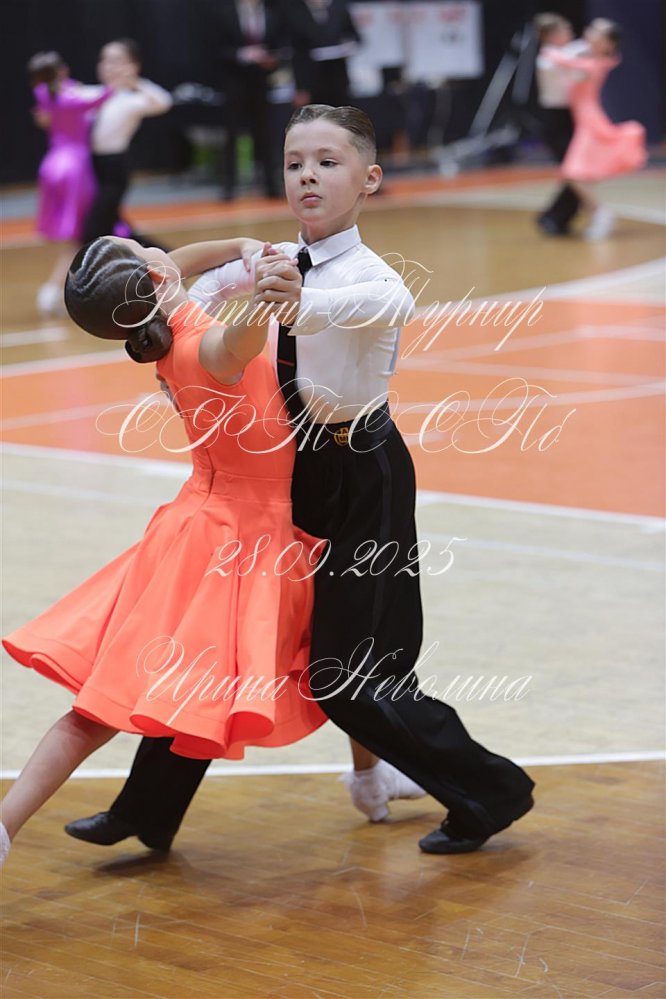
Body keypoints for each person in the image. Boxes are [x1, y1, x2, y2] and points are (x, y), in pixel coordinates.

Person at [64, 105, 535, 857]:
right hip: (288, 475)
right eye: (294, 163)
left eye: (327, 162)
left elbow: (390, 304)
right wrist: (196, 281)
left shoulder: (369, 275)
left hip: (363, 473)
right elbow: (176, 283)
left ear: (369, 179)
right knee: (217, 639)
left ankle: (491, 791)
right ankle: (147, 810)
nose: (308, 175)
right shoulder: (275, 259)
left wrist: (298, 300)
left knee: (348, 674)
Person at [0, 233, 329, 867]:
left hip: (194, 528)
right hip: (244, 538)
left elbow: (175, 267)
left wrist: (239, 244)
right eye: (146, 254)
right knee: (330, 655)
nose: (160, 253)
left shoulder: (157, 327)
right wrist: (267, 286)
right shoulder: (206, 344)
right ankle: (375, 776)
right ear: (152, 281)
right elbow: (243, 337)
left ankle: (6, 824)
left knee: (98, 707)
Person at [544, 18, 647, 240]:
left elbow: (562, 61)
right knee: (576, 173)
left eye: (597, 32)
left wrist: (549, 48)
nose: (589, 33)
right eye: (591, 29)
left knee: (573, 172)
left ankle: (600, 213)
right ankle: (597, 213)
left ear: (607, 43)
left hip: (589, 121)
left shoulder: (595, 63)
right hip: (583, 119)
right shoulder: (587, 56)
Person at [27, 51, 111, 316]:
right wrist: (116, 85)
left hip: (53, 162)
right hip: (74, 165)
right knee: (83, 232)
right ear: (60, 71)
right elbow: (101, 98)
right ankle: (55, 291)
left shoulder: (45, 93)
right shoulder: (70, 98)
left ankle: (66, 289)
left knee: (83, 232)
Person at [82, 39, 172, 244]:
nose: (109, 66)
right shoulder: (90, 94)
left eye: (117, 61)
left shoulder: (132, 100)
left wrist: (135, 81)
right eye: (104, 60)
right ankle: (164, 256)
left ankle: (165, 257)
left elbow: (164, 101)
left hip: (113, 170)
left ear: (133, 66)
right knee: (117, 229)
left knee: (94, 230)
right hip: (90, 170)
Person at [214, 0, 287, 201]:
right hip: (234, 83)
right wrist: (241, 54)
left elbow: (280, 46)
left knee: (265, 133)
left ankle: (270, 184)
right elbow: (214, 48)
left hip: (261, 83)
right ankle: (229, 186)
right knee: (232, 134)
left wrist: (272, 60)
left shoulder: (271, 13)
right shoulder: (224, 14)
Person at [533, 14, 584, 236]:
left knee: (579, 173)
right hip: (555, 122)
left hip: (571, 118)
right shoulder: (548, 58)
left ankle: (556, 217)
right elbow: (573, 55)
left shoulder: (566, 54)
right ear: (550, 35)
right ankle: (554, 217)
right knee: (575, 173)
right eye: (565, 30)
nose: (570, 34)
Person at [285, 0, 360, 108]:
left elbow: (354, 37)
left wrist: (348, 46)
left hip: (337, 75)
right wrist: (300, 87)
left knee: (339, 112)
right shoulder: (294, 9)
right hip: (310, 78)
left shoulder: (339, 7)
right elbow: (295, 50)